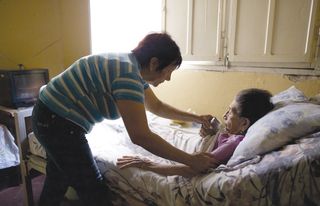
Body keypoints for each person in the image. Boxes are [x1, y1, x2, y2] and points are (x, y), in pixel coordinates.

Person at [31, 32, 216, 206]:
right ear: (154, 63)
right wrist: (191, 160)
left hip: (47, 114)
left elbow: (156, 107)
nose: (168, 78)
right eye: (168, 71)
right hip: (57, 122)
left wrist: (197, 118)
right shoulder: (128, 75)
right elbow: (141, 136)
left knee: (58, 178)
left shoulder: (129, 66)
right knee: (94, 191)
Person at [117, 88, 275, 177]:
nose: (225, 115)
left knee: (136, 135)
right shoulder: (232, 135)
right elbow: (218, 140)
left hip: (186, 151)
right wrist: (211, 133)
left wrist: (147, 164)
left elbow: (192, 167)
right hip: (193, 144)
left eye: (231, 112)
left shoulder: (234, 143)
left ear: (245, 123)